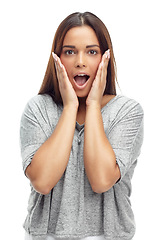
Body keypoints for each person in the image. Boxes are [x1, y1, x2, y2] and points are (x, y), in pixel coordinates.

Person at [20, 12, 144, 240]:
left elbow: (101, 180)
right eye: (69, 52)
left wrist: (94, 103)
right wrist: (70, 108)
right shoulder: (38, 109)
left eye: (91, 51)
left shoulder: (127, 111)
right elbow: (43, 181)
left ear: (105, 58)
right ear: (57, 59)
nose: (80, 61)